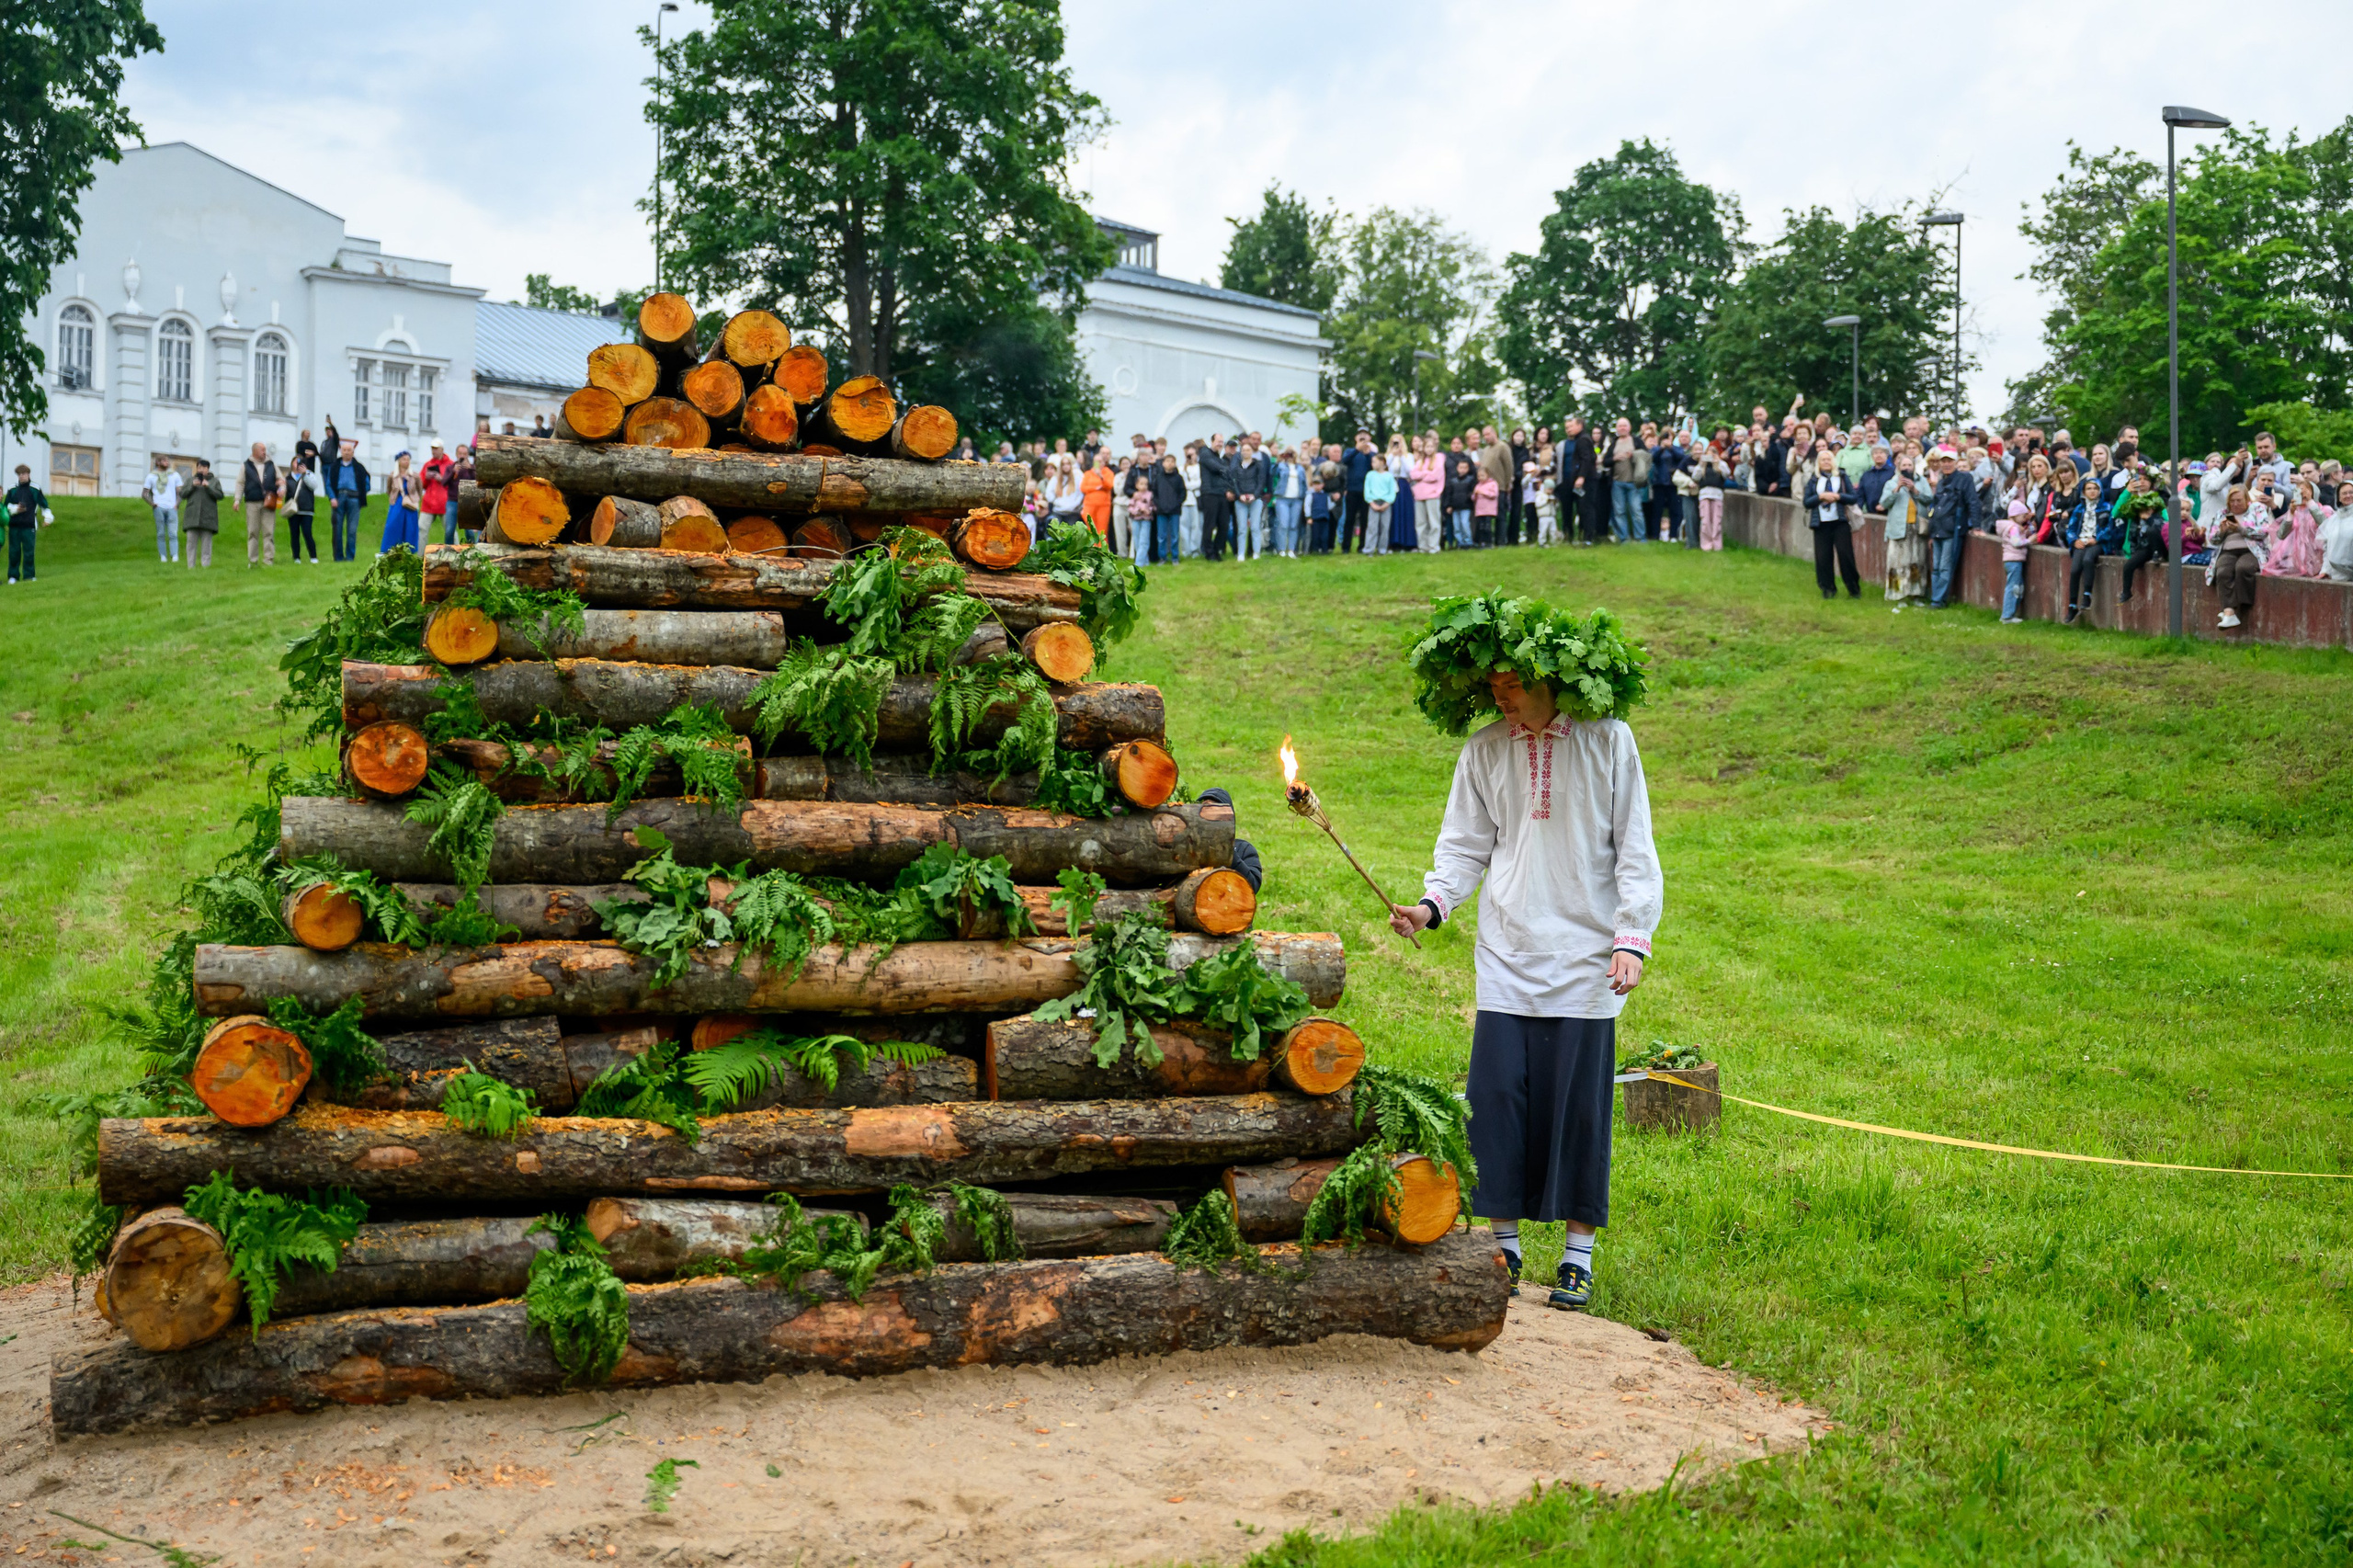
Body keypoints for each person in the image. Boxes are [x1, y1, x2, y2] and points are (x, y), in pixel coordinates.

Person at [1387, 594, 1662, 1309]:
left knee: (1579, 1110)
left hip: (1587, 957)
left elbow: (1635, 848)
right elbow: (1463, 846)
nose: (1502, 697)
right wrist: (1431, 905)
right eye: (1494, 687)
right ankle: (1504, 1249)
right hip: (1508, 953)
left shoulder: (1609, 741)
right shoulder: (1483, 751)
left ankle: (1577, 1257)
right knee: (1498, 1102)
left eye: (1513, 684)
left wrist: (1631, 940)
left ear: (1550, 678)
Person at [1802, 449, 1859, 599]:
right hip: (1821, 523)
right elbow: (1806, 502)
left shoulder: (1841, 477)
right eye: (1823, 460)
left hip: (1840, 522)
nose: (1826, 462)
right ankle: (1827, 588)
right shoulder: (1814, 479)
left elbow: (1853, 497)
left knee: (1845, 556)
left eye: (1829, 459)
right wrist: (1821, 497)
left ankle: (1853, 588)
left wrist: (1838, 496)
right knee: (1823, 558)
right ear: (1818, 463)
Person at [1877, 450, 1932, 608]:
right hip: (1898, 528)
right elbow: (1884, 504)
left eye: (1909, 465)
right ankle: (1898, 595)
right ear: (1898, 467)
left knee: (1917, 561)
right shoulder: (1891, 483)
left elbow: (1929, 499)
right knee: (1897, 563)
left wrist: (1915, 490)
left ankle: (1916, 595)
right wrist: (1897, 489)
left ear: (1914, 467)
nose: (1907, 467)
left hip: (1917, 527)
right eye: (1904, 465)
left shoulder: (1922, 481)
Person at [2210, 484, 2263, 629]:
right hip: (2228, 550)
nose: (2235, 504)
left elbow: (2264, 532)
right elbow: (2212, 539)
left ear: (2247, 500)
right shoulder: (2222, 513)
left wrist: (2240, 529)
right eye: (2232, 501)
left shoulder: (2257, 509)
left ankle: (2239, 606)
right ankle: (2229, 613)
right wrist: (2222, 532)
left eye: (2239, 500)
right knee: (2222, 572)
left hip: (2251, 550)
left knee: (2243, 568)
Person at [1927, 449, 1974, 608]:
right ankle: (1936, 598)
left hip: (1952, 529)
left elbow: (1973, 501)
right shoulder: (1941, 482)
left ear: (1955, 462)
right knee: (1936, 567)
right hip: (1938, 529)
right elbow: (1935, 507)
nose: (1946, 464)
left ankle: (1938, 600)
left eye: (1949, 461)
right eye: (1944, 461)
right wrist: (1931, 532)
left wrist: (1976, 525)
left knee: (1944, 567)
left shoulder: (1965, 478)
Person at [2059, 467, 2104, 624]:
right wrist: (2074, 540)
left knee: (2088, 559)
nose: (2092, 491)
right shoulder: (2079, 509)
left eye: (2095, 489)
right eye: (2089, 489)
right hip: (2081, 541)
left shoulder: (2105, 508)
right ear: (2084, 492)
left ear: (2100, 491)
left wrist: (2097, 538)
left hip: (2096, 543)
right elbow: (2071, 528)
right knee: (2075, 569)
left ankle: (2087, 595)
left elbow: (2109, 529)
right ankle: (2072, 605)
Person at [2262, 483, 2325, 578]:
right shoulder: (2295, 512)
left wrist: (2310, 502)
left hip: (2317, 559)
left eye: (2305, 491)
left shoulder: (2324, 510)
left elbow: (2324, 526)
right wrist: (2291, 513)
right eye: (2298, 491)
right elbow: (2281, 535)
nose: (2302, 494)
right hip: (2295, 560)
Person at [238, 441, 280, 568]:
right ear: (255, 451)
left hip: (269, 502)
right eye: (262, 450)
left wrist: (282, 487)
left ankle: (268, 560)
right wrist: (237, 500)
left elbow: (280, 479)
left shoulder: (271, 464)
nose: (265, 452)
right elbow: (240, 483)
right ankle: (253, 560)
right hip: (252, 503)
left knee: (269, 532)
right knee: (252, 532)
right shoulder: (246, 466)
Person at [326, 440, 370, 562]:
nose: (346, 452)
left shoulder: (359, 467)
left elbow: (367, 484)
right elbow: (328, 484)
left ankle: (350, 557)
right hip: (339, 498)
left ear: (353, 452)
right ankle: (338, 557)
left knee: (352, 530)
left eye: (349, 450)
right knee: (337, 529)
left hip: (354, 499)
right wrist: (332, 497)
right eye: (344, 450)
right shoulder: (334, 466)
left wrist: (360, 494)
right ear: (341, 451)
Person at [181, 458, 225, 568]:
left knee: (206, 544)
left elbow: (220, 495)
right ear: (196, 468)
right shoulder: (190, 480)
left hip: (208, 517)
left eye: (204, 467)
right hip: (192, 516)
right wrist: (192, 486)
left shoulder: (214, 481)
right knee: (191, 543)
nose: (201, 470)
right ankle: (190, 566)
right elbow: (182, 494)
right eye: (199, 467)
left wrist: (208, 486)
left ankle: (205, 566)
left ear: (208, 469)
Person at [1997, 495, 2035, 624]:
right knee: (2013, 587)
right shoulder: (2013, 528)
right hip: (2014, 560)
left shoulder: (2013, 527)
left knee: (2016, 587)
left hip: (2012, 560)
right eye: (2023, 516)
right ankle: (2007, 616)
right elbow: (2016, 542)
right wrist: (2029, 541)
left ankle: (2010, 613)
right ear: (2015, 515)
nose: (2025, 519)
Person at [1233, 437, 1269, 562]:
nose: (1246, 452)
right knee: (1242, 529)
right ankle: (1241, 554)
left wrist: (1255, 495)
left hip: (1256, 499)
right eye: (1244, 450)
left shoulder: (1258, 465)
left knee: (1255, 527)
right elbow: (1234, 482)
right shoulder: (1237, 467)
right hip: (1240, 501)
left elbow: (1261, 482)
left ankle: (1256, 553)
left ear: (1252, 452)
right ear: (1241, 452)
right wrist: (1239, 495)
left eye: (1248, 450)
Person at [6, 463, 44, 584]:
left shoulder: (35, 489)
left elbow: (43, 504)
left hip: (29, 525)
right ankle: (13, 576)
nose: (21, 476)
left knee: (29, 552)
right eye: (19, 474)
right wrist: (15, 509)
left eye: (23, 474)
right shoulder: (12, 489)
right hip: (14, 526)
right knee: (14, 552)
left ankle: (29, 575)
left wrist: (47, 518)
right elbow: (6, 506)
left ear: (28, 474)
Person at [141, 453, 183, 563]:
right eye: (164, 460)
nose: (167, 462)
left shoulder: (174, 475)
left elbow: (180, 492)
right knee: (161, 533)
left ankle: (174, 556)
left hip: (172, 507)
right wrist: (152, 504)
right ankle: (163, 556)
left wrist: (177, 504)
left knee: (173, 533)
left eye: (167, 460)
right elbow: (144, 493)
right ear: (158, 462)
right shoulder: (151, 476)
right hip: (159, 507)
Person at [380, 451, 422, 556]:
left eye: (408, 459)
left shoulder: (415, 476)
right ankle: (389, 550)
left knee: (410, 528)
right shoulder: (393, 475)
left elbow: (419, 490)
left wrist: (414, 499)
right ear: (398, 461)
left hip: (410, 505)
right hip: (397, 504)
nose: (406, 461)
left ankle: (409, 551)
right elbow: (389, 490)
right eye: (404, 459)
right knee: (393, 526)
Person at [282, 458, 319, 564]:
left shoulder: (309, 474)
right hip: (293, 510)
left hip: (307, 509)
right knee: (294, 534)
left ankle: (313, 556)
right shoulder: (288, 478)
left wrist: (305, 474)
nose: (298, 465)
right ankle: (296, 557)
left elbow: (314, 486)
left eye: (300, 463)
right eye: (296, 462)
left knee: (307, 533)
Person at [1272, 446, 1306, 559]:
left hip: (1297, 499)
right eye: (1288, 453)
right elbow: (1272, 474)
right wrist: (1278, 461)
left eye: (1292, 453)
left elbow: (1304, 484)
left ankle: (1291, 550)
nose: (1290, 456)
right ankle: (1281, 549)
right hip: (1282, 498)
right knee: (1283, 524)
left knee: (1294, 525)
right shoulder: (1281, 466)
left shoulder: (1300, 468)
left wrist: (1304, 496)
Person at [420, 441, 456, 544]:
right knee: (421, 529)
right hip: (428, 503)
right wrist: (426, 478)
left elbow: (455, 485)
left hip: (445, 503)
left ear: (442, 449)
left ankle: (457, 551)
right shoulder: (428, 464)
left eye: (436, 449)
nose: (433, 451)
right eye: (432, 449)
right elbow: (422, 485)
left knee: (450, 530)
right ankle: (420, 553)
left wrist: (442, 479)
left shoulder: (451, 465)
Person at [1362, 453, 1397, 556]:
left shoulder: (1389, 476)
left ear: (1382, 462)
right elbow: (1367, 490)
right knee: (1372, 527)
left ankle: (1382, 549)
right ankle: (1369, 549)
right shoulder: (1370, 475)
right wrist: (1372, 503)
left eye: (1374, 462)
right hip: (1374, 502)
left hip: (1386, 503)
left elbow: (1392, 491)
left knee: (1385, 527)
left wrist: (1387, 503)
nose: (1372, 464)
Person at [1081, 450, 1115, 542]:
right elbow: (1083, 488)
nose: (1098, 464)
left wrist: (1101, 477)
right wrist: (1096, 488)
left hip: (1104, 506)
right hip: (1089, 505)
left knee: (1102, 530)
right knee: (1091, 528)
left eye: (1100, 461)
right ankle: (1091, 548)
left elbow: (1109, 485)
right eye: (1096, 461)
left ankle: (1101, 549)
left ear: (1104, 462)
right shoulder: (1088, 474)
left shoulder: (1108, 473)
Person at [449, 443, 478, 543]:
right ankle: (448, 549)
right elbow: (444, 482)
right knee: (449, 530)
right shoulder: (451, 467)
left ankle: (472, 548)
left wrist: (470, 469)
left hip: (467, 502)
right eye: (460, 454)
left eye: (464, 454)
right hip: (453, 501)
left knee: (469, 531)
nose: (462, 456)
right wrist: (453, 472)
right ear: (456, 454)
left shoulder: (472, 468)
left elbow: (477, 482)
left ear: (468, 455)